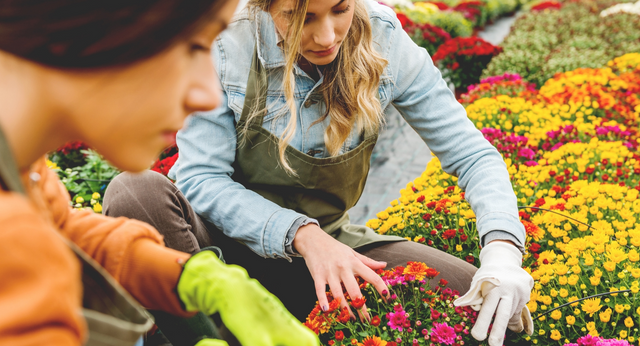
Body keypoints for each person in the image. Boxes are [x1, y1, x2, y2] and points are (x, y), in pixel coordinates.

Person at [105, 0, 534, 345]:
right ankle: (207, 335)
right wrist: (302, 236)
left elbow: (472, 154)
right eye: (300, 16)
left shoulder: (384, 38)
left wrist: (502, 252)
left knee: (485, 308)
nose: (326, 36)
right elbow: (201, 179)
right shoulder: (226, 45)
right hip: (219, 248)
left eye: (341, 9)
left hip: (332, 249)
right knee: (134, 191)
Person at [0, 0, 319, 345]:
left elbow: (59, 233)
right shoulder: (11, 229)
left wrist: (187, 277)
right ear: (78, 24)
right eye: (193, 47)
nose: (207, 95)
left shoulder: (22, 172)